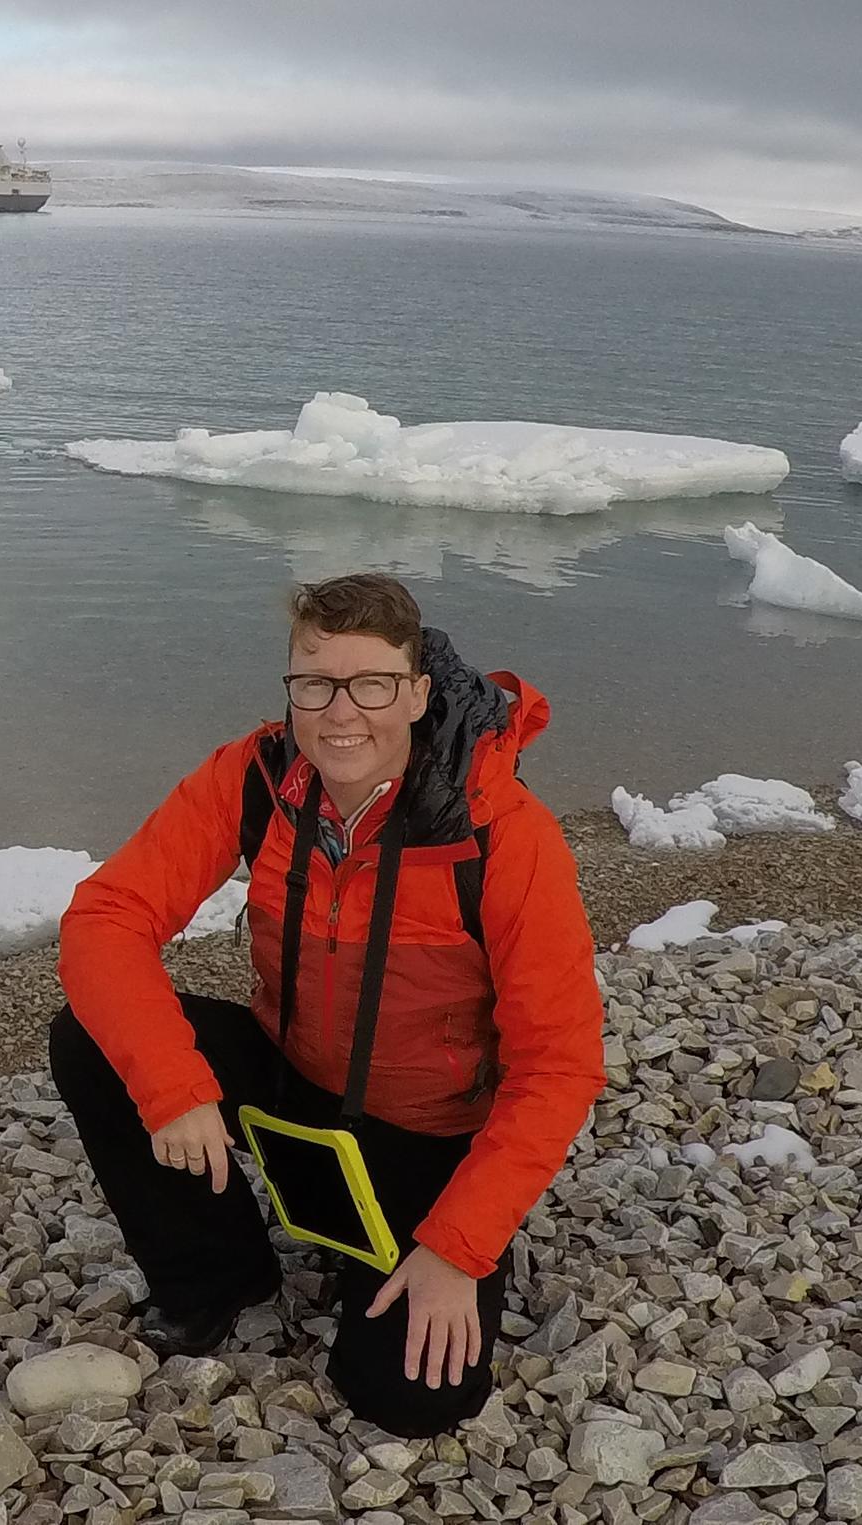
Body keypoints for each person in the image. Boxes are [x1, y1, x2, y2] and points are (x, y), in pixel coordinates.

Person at [49, 573, 605, 1438]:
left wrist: (458, 1247)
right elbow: (106, 916)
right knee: (93, 1036)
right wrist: (173, 1085)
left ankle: (383, 1244)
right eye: (315, 683)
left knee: (413, 1399)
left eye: (371, 684)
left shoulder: (503, 833)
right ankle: (217, 1274)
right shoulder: (259, 777)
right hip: (292, 1078)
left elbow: (558, 1064)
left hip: (426, 1132)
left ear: (417, 693)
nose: (341, 713)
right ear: (291, 687)